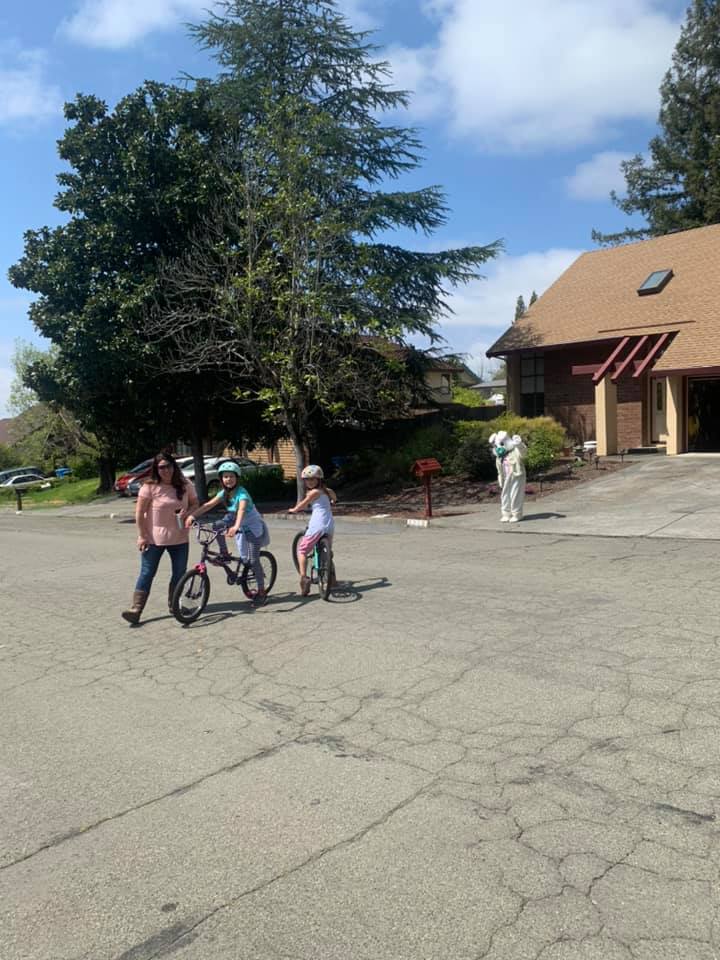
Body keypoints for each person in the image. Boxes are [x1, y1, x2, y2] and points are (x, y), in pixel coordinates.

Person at [122, 452, 199, 624]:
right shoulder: (149, 486)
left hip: (180, 538)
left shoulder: (185, 484)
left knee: (179, 573)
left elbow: (195, 503)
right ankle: (136, 609)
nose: (166, 470)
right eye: (161, 467)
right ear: (156, 469)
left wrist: (189, 513)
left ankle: (174, 605)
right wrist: (142, 536)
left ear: (174, 466)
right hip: (153, 539)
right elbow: (139, 513)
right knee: (147, 572)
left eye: (168, 466)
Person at [185, 461, 271, 605]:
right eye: (225, 477)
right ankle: (224, 554)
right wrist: (192, 516)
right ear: (221, 479)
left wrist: (236, 526)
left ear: (237, 478)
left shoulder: (242, 494)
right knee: (216, 526)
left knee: (253, 560)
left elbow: (241, 510)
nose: (228, 479)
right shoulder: (224, 493)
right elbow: (208, 505)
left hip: (251, 525)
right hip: (233, 518)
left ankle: (262, 591)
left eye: (231, 476)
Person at [288, 464, 336, 596]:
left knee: (302, 550)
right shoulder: (327, 491)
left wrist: (294, 510)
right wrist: (333, 501)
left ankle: (304, 578)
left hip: (317, 525)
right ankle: (332, 578)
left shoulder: (313, 492)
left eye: (312, 479)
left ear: (319, 480)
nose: (309, 482)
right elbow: (334, 497)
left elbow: (304, 504)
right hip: (329, 524)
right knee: (327, 552)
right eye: (307, 479)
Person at [489, 430, 527, 523]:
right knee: (505, 495)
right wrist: (500, 478)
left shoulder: (515, 450)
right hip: (506, 477)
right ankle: (506, 514)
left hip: (516, 475)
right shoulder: (500, 456)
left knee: (515, 494)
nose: (499, 447)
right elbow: (499, 469)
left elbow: (523, 453)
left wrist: (519, 444)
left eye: (502, 444)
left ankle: (517, 514)